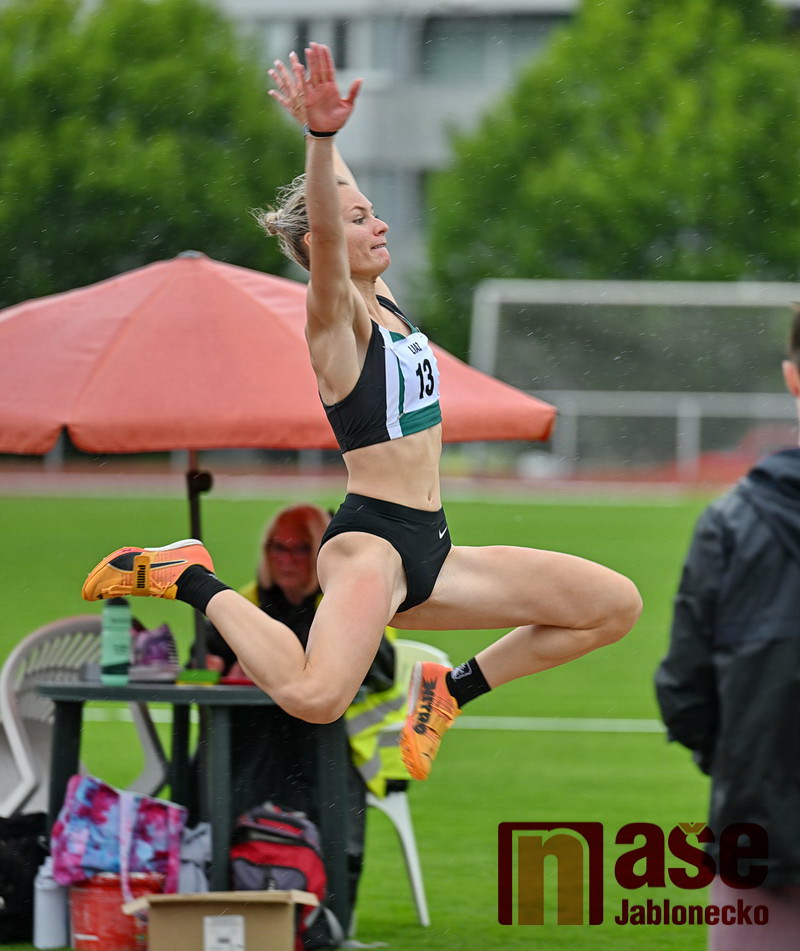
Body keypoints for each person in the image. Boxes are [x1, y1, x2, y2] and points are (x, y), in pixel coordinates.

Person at [81, 43, 642, 783]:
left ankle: (449, 689)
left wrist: (317, 131)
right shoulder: (336, 324)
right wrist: (319, 142)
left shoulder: (387, 304)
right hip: (371, 545)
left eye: (375, 214)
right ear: (321, 247)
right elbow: (324, 223)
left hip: (434, 548)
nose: (378, 224)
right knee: (316, 696)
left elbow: (334, 198)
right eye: (359, 219)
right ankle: (188, 575)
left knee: (612, 606)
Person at [655, 308, 800, 949]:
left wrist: (748, 759)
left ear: (793, 378)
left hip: (764, 824)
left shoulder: (732, 521)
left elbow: (686, 693)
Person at [192, 503, 405, 930]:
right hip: (258, 741)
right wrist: (209, 668)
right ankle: (215, 884)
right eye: (278, 548)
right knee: (217, 760)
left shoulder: (350, 601)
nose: (286, 559)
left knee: (295, 748)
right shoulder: (246, 603)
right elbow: (197, 668)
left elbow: (379, 671)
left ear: (322, 555)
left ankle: (321, 910)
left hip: (344, 745)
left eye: (300, 549)